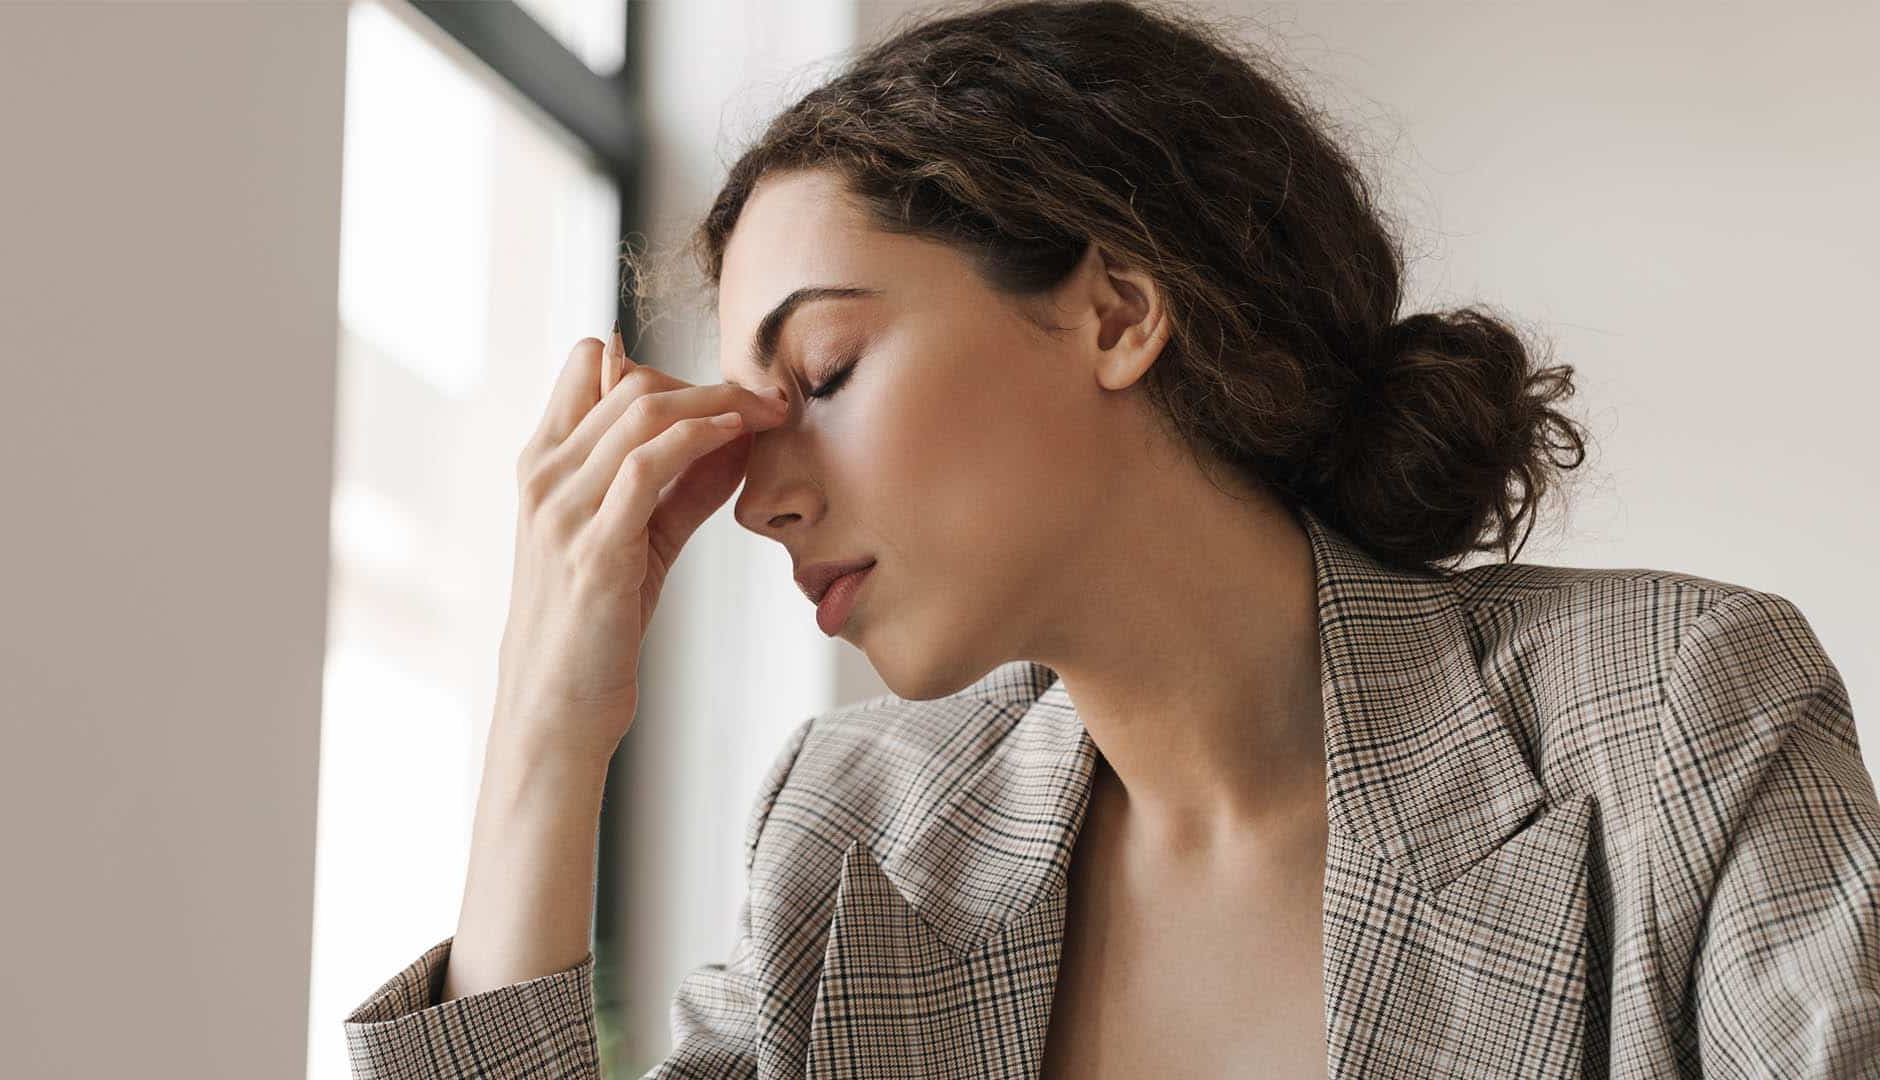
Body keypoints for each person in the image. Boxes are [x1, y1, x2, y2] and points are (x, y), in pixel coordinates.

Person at [343, 1, 1880, 1077]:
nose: (760, 494)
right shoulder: (853, 838)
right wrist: (546, 734)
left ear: (1116, 312)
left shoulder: (1680, 713)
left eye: (821, 376)